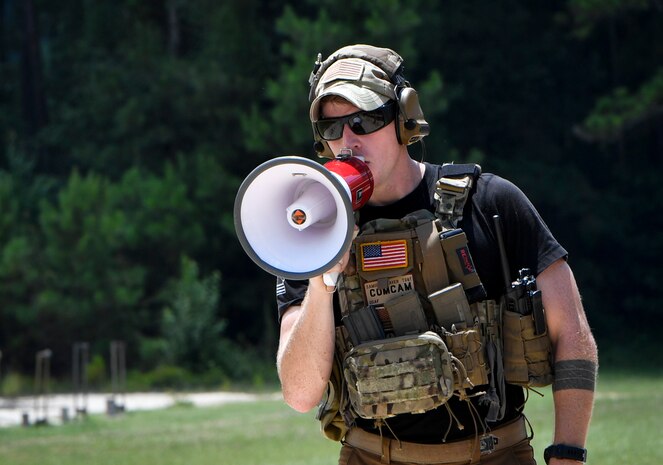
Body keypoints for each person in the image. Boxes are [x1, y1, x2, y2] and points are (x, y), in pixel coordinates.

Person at [275, 44, 598, 465]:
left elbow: (572, 333)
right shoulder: (309, 232)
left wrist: (568, 454)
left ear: (404, 120)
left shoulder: (491, 203)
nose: (348, 140)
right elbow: (300, 393)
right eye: (332, 128)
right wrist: (323, 279)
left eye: (365, 119)